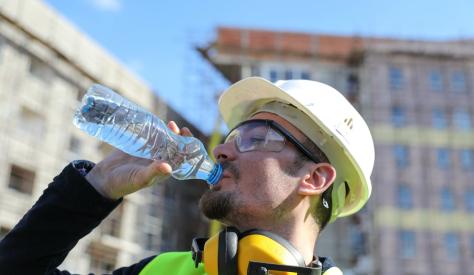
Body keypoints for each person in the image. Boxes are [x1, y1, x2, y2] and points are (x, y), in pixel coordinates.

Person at [0, 77, 374, 275]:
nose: (222, 151)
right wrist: (94, 188)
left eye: (256, 138)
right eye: (231, 138)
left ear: (314, 178)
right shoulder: (159, 271)